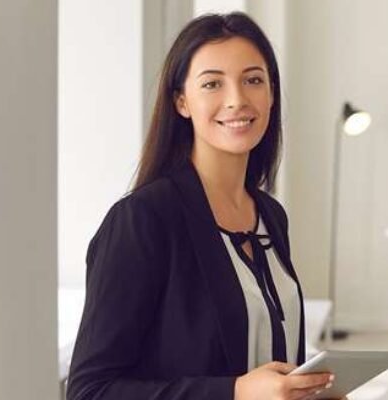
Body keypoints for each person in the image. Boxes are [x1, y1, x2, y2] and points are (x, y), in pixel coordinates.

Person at [67, 13, 337, 400]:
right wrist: (234, 393)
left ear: (272, 93)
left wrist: (306, 391)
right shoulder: (142, 221)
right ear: (181, 101)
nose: (237, 100)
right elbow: (90, 391)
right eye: (212, 83)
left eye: (253, 80)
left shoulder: (270, 216)